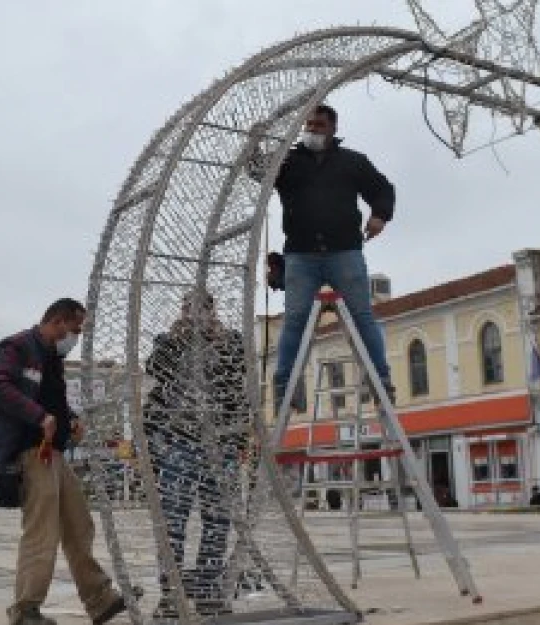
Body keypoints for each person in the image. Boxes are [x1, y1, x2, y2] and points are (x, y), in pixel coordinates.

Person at [0, 298, 125, 625]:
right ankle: (25, 610)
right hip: (31, 451)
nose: (76, 337)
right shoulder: (17, 347)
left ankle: (100, 599)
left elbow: (51, 400)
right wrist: (39, 417)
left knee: (79, 524)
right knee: (42, 531)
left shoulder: (51, 358)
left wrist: (70, 420)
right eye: (76, 329)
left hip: (54, 453)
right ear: (59, 321)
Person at [253, 104, 396, 412]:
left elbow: (382, 188)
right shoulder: (288, 162)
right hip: (301, 255)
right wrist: (255, 143)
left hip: (344, 250)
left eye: (318, 124)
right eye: (308, 124)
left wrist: (380, 216)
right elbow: (258, 172)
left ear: (332, 127)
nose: (312, 129)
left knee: (362, 317)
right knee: (294, 322)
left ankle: (380, 380)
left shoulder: (352, 162)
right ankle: (286, 387)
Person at [143, 290, 250, 618]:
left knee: (217, 520)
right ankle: (171, 593)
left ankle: (208, 589)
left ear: (212, 311)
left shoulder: (230, 342)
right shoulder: (169, 342)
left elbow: (239, 377)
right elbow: (156, 369)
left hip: (221, 444)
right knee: (172, 520)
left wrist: (216, 342)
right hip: (178, 443)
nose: (195, 315)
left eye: (201, 310)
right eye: (188, 309)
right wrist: (180, 338)